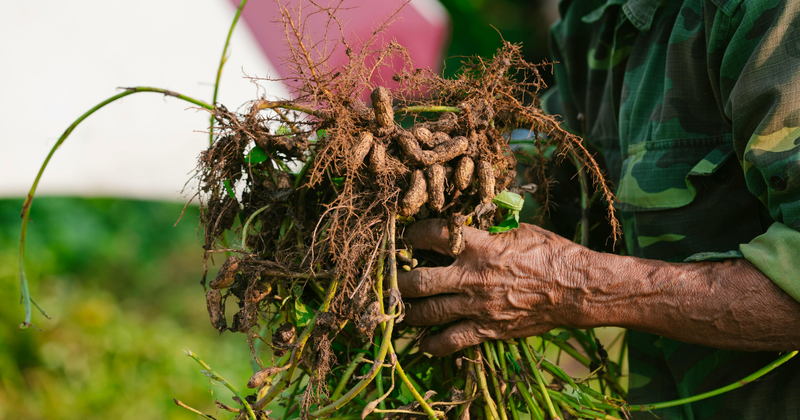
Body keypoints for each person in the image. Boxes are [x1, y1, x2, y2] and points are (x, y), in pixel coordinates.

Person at [398, 0, 800, 418]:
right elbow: (565, 180)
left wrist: (574, 285)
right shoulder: (593, 15)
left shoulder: (769, 13)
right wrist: (436, 190)